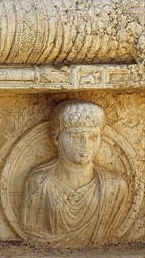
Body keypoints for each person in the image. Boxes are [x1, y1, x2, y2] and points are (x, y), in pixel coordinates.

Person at [20, 100, 129, 246]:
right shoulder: (39, 184)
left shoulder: (115, 187)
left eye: (93, 137)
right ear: (56, 138)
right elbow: (32, 231)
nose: (85, 145)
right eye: (76, 137)